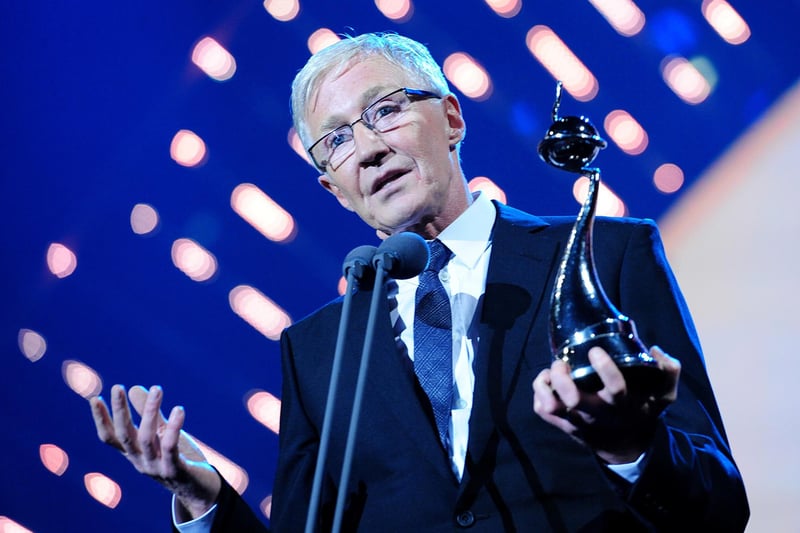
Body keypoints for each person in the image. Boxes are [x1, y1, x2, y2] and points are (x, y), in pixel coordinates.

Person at [90, 32, 749, 531]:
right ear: (334, 188)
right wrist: (203, 497)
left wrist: (632, 445)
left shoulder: (606, 253)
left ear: (453, 119)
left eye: (384, 111)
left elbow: (722, 505)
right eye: (338, 141)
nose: (368, 148)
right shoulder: (319, 350)